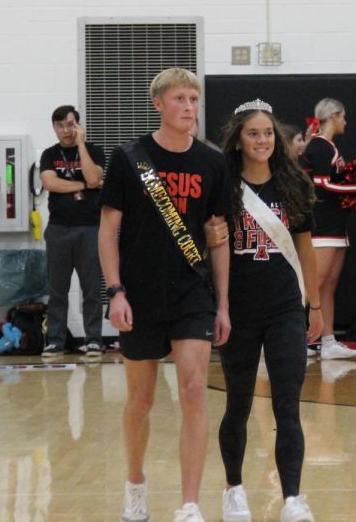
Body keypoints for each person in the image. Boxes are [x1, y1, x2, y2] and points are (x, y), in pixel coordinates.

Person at [99, 68, 232, 522]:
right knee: (141, 400)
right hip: (139, 294)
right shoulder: (129, 158)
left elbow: (219, 237)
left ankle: (189, 504)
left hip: (192, 293)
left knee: (194, 390)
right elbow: (108, 230)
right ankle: (135, 484)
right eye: (180, 99)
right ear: (158, 104)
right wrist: (115, 291)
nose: (189, 107)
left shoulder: (212, 162)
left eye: (194, 99)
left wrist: (223, 303)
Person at [214, 99, 321, 522]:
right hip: (239, 310)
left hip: (285, 310)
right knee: (238, 404)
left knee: (287, 406)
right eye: (253, 133)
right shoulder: (223, 186)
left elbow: (306, 250)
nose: (262, 140)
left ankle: (292, 497)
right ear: (238, 140)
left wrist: (315, 306)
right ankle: (233, 489)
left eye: (268, 133)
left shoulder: (292, 185)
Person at [298, 98, 356, 360]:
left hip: (336, 225)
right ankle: (290, 338)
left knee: (328, 286)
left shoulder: (327, 145)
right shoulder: (320, 146)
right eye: (343, 116)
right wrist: (355, 188)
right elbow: (321, 183)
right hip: (323, 224)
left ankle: (328, 341)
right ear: (333, 116)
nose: (345, 121)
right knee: (313, 284)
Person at [38, 105, 106, 358]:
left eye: (70, 124)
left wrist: (81, 145)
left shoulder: (94, 151)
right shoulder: (49, 154)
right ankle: (55, 340)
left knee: (91, 288)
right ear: (54, 128)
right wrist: (83, 185)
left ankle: (94, 340)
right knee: (57, 290)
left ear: (78, 125)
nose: (66, 130)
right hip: (58, 229)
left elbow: (94, 177)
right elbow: (49, 182)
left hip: (90, 228)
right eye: (60, 125)